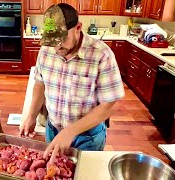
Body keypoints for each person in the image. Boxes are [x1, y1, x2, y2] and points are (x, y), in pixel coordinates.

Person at [19, 3, 125, 163]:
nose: (57, 46)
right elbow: (40, 84)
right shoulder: (46, 50)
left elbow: (111, 103)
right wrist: (31, 116)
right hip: (53, 130)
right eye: (52, 40)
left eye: (62, 39)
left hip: (87, 138)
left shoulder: (101, 54)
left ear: (78, 27)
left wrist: (70, 131)